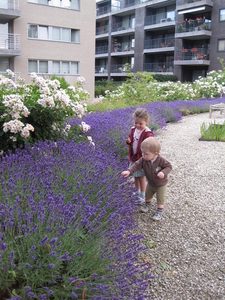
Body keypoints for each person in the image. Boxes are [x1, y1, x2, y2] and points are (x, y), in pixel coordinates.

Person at [122, 137, 172, 221]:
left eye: (146, 154)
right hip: (151, 183)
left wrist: (163, 172)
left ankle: (160, 211)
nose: (143, 155)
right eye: (142, 153)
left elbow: (169, 166)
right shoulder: (144, 160)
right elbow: (136, 165)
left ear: (155, 154)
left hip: (161, 184)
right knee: (148, 195)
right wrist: (129, 171)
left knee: (160, 198)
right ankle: (147, 204)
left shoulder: (161, 160)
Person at [126, 108, 154, 205]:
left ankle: (143, 195)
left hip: (142, 159)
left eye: (140, 123)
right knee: (135, 176)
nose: (137, 125)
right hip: (134, 156)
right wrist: (128, 141)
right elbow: (130, 138)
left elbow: (151, 145)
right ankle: (137, 191)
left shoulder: (148, 133)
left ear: (146, 122)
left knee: (141, 177)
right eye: (136, 123)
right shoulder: (133, 129)